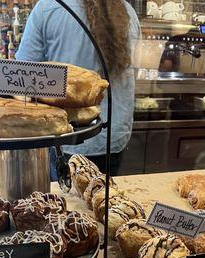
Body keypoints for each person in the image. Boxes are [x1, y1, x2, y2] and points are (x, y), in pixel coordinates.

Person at [16, 0, 141, 177]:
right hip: (113, 136)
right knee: (106, 199)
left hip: (67, 135)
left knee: (66, 201)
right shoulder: (128, 11)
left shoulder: (48, 8)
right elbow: (133, 71)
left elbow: (23, 78)